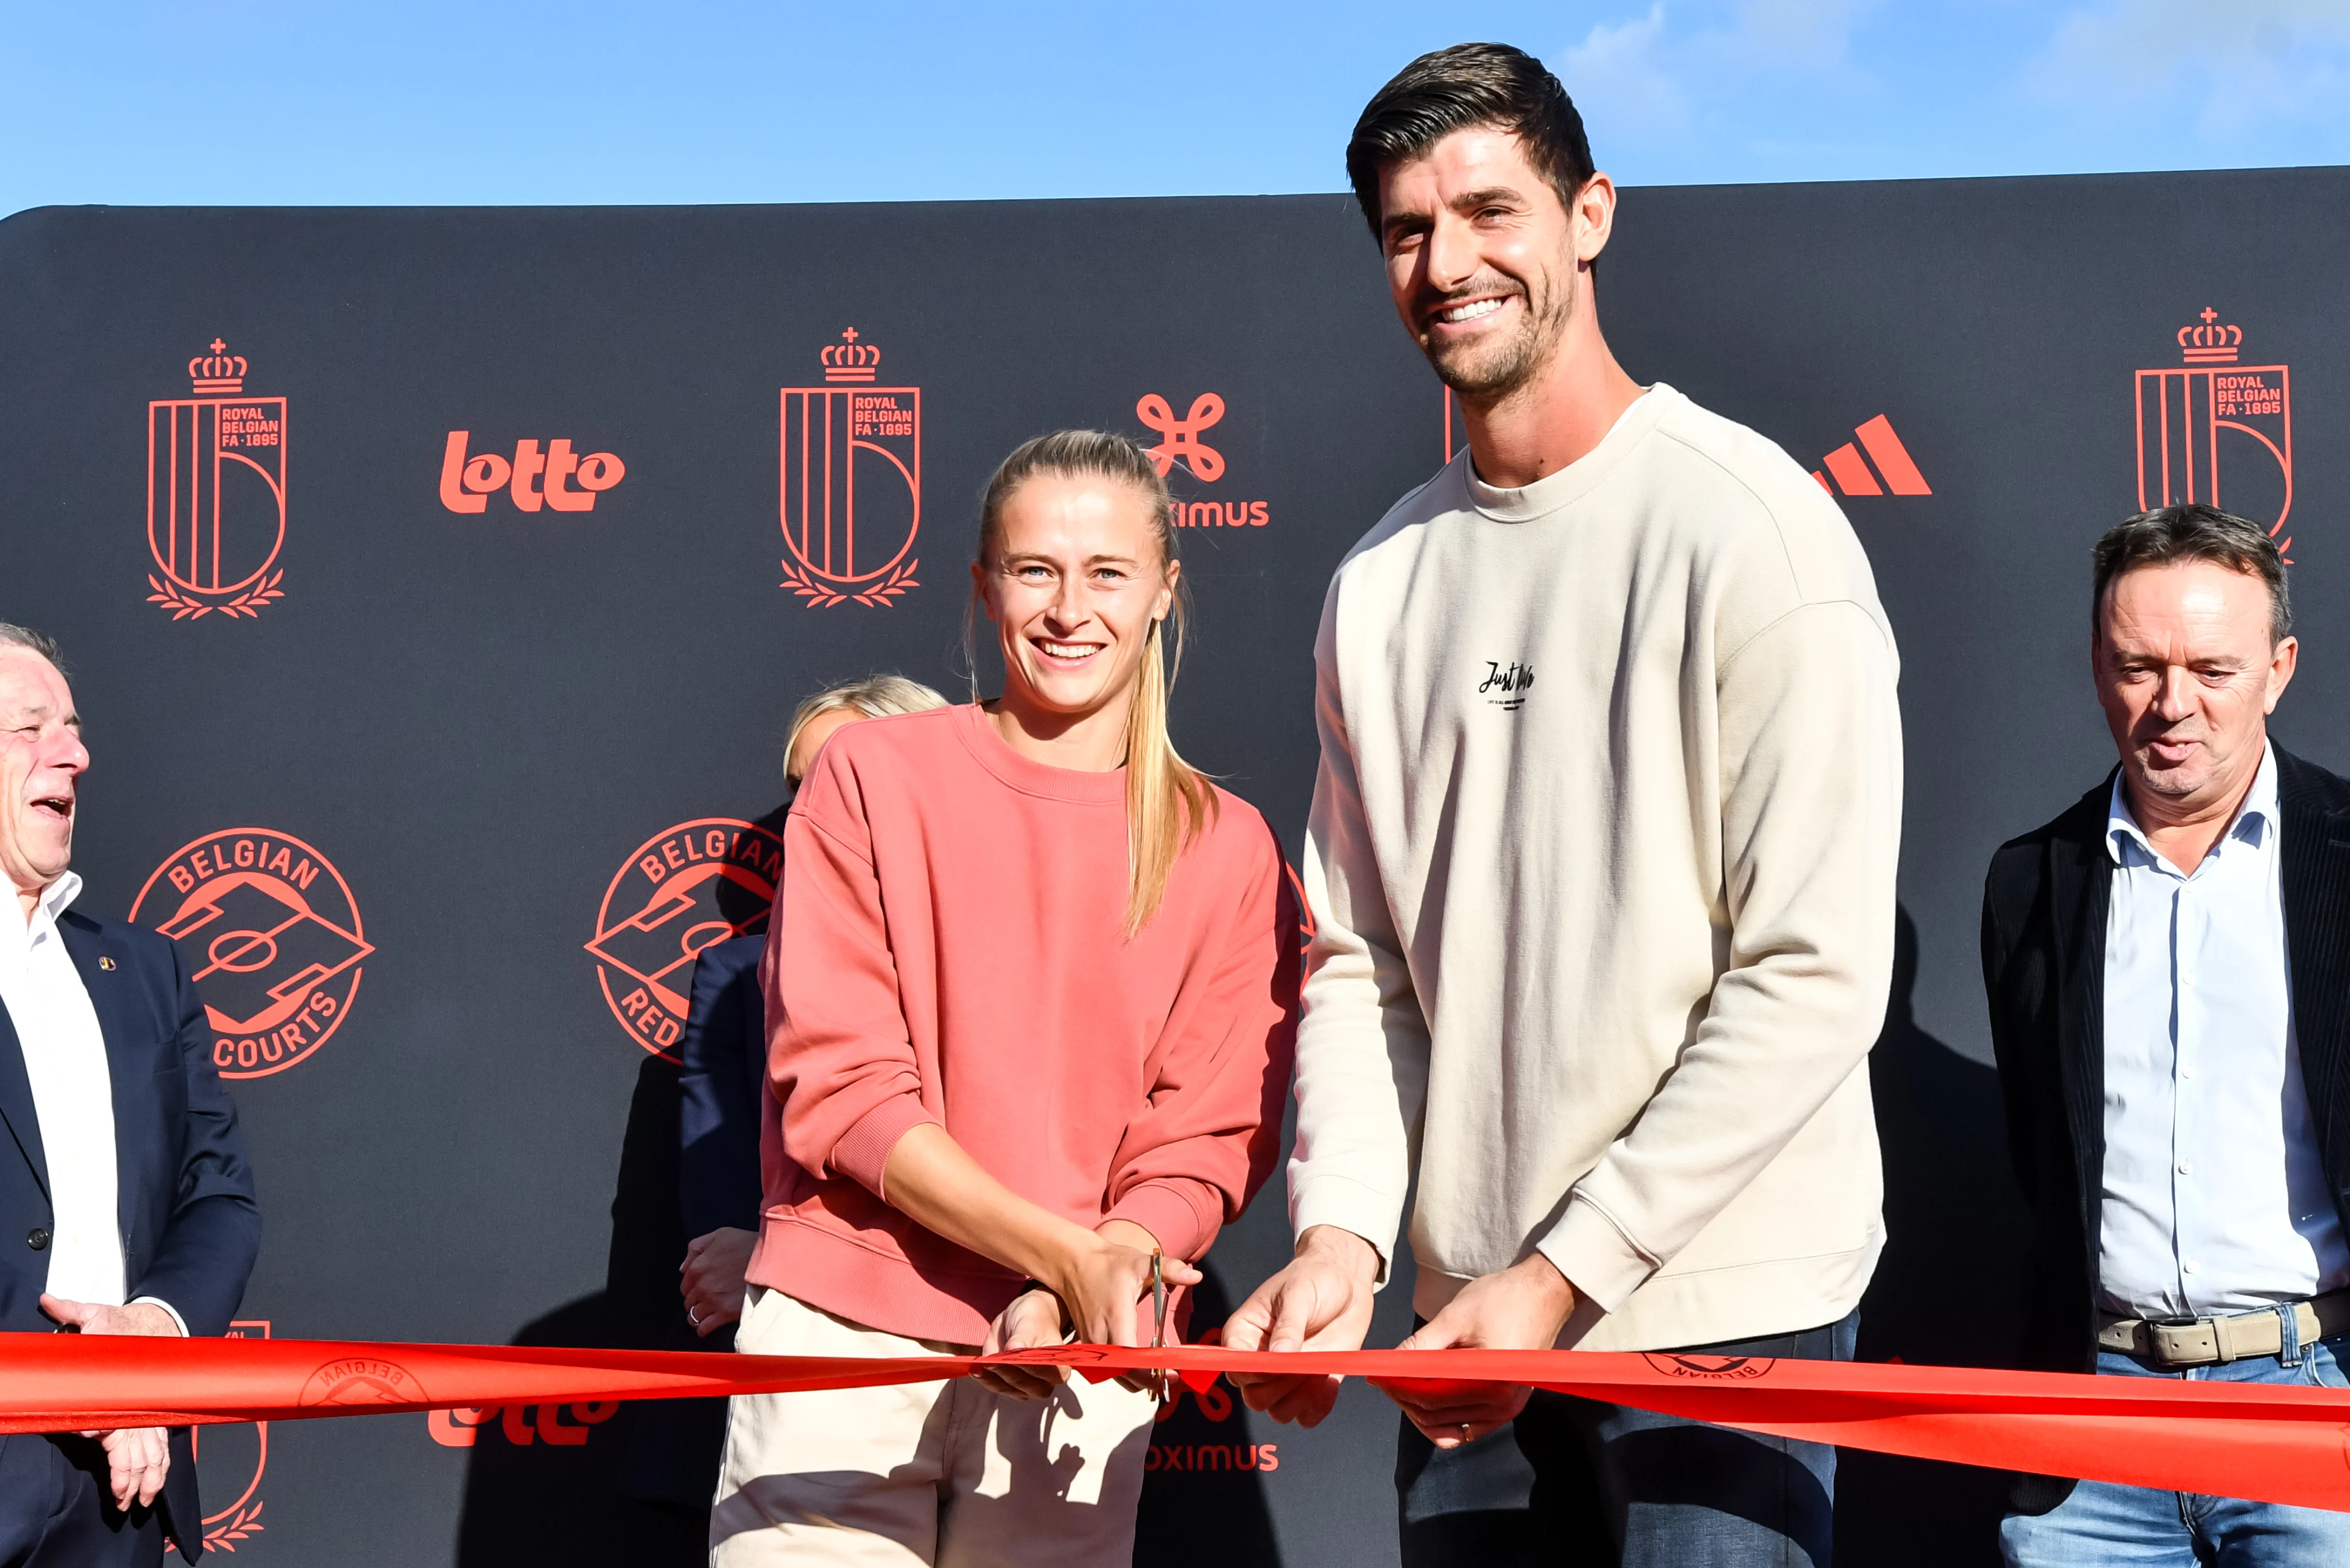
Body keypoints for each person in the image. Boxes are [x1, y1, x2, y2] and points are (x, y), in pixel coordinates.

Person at [1223, 42, 1902, 1566]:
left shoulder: (1753, 536)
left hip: (1722, 1323)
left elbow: (1809, 975)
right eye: (1405, 230)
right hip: (1464, 1331)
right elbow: (1357, 964)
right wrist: (1342, 1233)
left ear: (1588, 212)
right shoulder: (1378, 587)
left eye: (1487, 211)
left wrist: (1567, 1273)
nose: (1445, 263)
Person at [710, 430, 1300, 1566]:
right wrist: (1061, 1257)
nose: (1068, 608)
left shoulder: (1228, 847)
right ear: (983, 589)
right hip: (847, 1339)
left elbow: (1204, 1140)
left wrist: (1088, 1278)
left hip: (1080, 1353)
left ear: (1167, 590)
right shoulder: (872, 777)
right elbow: (840, 1093)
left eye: (1108, 573)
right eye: (1035, 570)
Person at [1983, 504, 2350, 1563]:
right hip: (2094, 1420)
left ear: (2280, 667)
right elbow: (2040, 1148)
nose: (2172, 705)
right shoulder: (2030, 880)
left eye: (2214, 670)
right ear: (2099, 666)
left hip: (2311, 1403)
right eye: (2138, 665)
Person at [0, 622, 261, 1567]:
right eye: (32, 727)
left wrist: (148, 1339)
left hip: (123, 1490)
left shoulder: (144, 969)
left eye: (71, 727)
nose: (74, 752)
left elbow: (218, 1191)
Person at [679, 676, 952, 1343]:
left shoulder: (1031, 950)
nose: (809, 813)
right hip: (812, 1343)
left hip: (1002, 1328)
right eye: (801, 789)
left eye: (842, 777)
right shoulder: (735, 976)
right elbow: (722, 1204)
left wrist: (795, 1259)